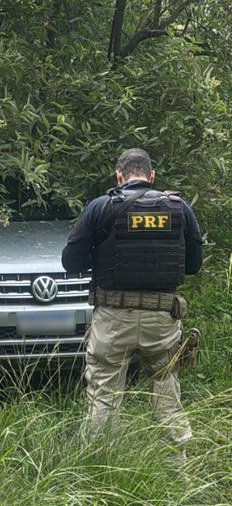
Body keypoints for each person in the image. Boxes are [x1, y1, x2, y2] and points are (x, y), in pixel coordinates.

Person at [61, 148, 203, 452]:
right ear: (151, 177)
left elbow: (70, 261)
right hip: (163, 319)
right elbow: (193, 265)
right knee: (167, 393)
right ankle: (179, 465)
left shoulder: (101, 207)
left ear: (118, 176)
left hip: (113, 317)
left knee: (104, 394)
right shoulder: (180, 208)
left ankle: (101, 463)